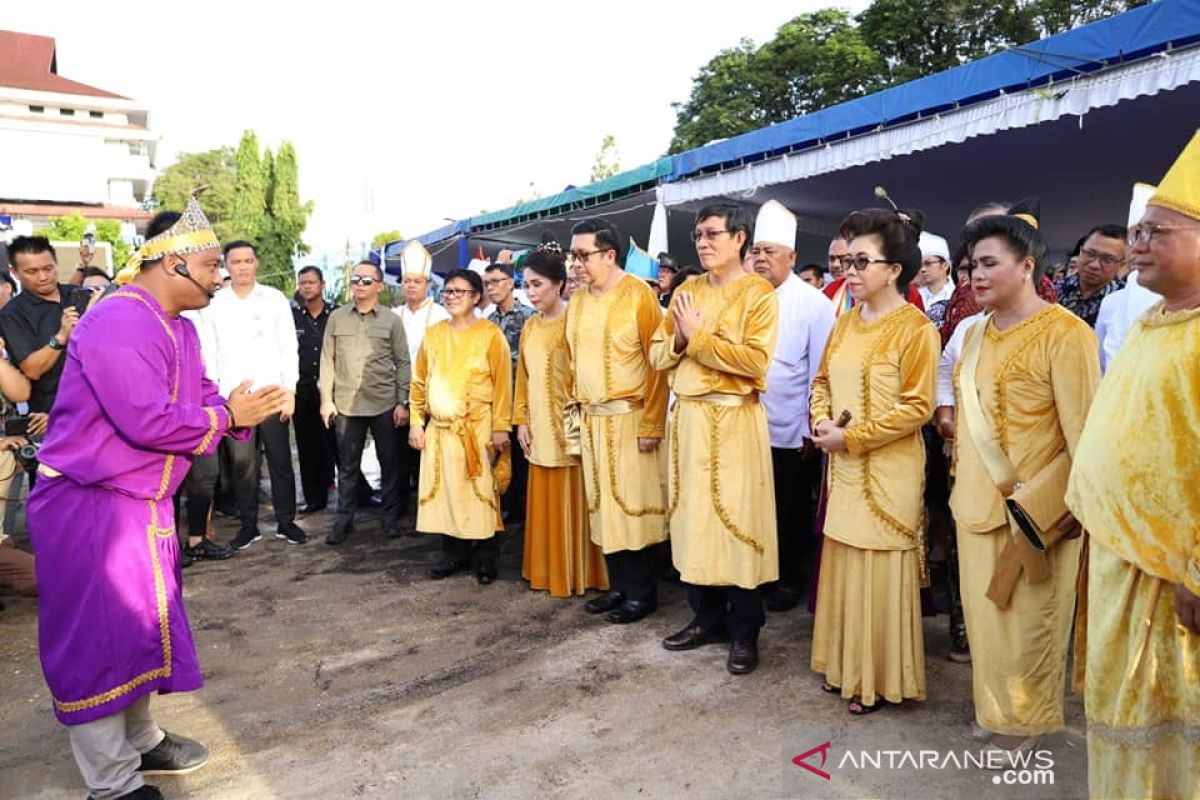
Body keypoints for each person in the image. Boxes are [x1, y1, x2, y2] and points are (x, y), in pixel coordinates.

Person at [27, 198, 286, 800]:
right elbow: (147, 420)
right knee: (96, 641)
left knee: (143, 629)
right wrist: (226, 416)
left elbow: (202, 398)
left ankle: (141, 741)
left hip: (141, 506)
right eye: (213, 263)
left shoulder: (181, 328)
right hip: (90, 507)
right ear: (173, 263)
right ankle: (111, 783)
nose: (222, 276)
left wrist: (234, 413)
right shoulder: (118, 320)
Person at [1066, 130, 1200, 800]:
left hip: (1171, 581)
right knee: (1119, 719)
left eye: (1157, 230)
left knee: (1167, 737)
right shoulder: (1152, 320)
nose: (1137, 242)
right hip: (1120, 558)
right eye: (1136, 230)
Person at [950, 202, 1098, 758]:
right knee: (986, 619)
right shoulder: (973, 335)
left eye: (989, 263)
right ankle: (994, 708)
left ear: (1027, 266)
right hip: (973, 503)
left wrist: (1070, 510)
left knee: (1033, 619)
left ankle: (1027, 719)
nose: (977, 276)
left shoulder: (1067, 334)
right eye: (971, 267)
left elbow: (1084, 432)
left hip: (1038, 511)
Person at [809, 206, 939, 715]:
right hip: (842, 467)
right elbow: (822, 381)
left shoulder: (916, 329)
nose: (851, 272)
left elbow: (917, 407)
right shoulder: (844, 324)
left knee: (878, 567)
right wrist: (821, 421)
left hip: (889, 472)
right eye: (848, 262)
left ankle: (880, 679)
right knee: (844, 562)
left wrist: (853, 438)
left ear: (894, 270)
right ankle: (844, 666)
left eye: (863, 262)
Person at [650, 202, 781, 675]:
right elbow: (657, 355)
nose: (703, 243)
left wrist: (698, 338)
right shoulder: (686, 289)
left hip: (733, 422)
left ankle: (745, 631)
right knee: (692, 520)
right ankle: (705, 618)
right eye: (699, 236)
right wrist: (681, 342)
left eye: (712, 234)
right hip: (688, 421)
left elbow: (755, 363)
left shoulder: (759, 294)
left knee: (736, 522)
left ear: (739, 238)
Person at [566, 219, 669, 624]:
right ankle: (618, 587)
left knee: (633, 507)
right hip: (593, 421)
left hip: (631, 418)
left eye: (582, 255)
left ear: (609, 255)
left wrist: (652, 424)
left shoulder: (638, 297)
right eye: (573, 255)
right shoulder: (577, 301)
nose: (576, 264)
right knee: (603, 507)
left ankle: (642, 594)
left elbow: (658, 366)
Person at [747, 201, 835, 613]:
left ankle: (786, 579)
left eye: (770, 252)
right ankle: (754, 573)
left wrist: (808, 429)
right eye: (756, 251)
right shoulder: (742, 296)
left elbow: (819, 373)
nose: (761, 259)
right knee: (750, 505)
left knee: (787, 507)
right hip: (743, 424)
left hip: (787, 428)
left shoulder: (814, 304)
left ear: (792, 257)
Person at [514, 244, 608, 597]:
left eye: (537, 284)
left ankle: (583, 572)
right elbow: (522, 379)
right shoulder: (529, 328)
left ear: (558, 284)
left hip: (572, 429)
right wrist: (521, 420)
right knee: (543, 495)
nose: (531, 292)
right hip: (539, 427)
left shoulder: (577, 322)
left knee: (578, 498)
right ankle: (547, 570)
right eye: (526, 285)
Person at [200, 241, 305, 548]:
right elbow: (210, 349)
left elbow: (289, 346)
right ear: (226, 266)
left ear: (256, 263)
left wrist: (291, 390)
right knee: (242, 465)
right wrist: (218, 398)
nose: (243, 267)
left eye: (248, 260)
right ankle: (249, 525)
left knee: (280, 460)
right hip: (236, 399)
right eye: (236, 262)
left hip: (272, 392)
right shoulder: (215, 303)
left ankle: (287, 522)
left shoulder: (273, 299)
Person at [409, 269, 511, 583]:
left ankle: (485, 559)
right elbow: (419, 381)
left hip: (477, 428)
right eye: (448, 291)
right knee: (447, 494)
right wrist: (416, 422)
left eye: (459, 291)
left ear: (476, 296)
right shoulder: (435, 333)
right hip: (439, 431)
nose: (451, 297)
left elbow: (503, 384)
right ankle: (453, 555)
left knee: (479, 493)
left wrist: (501, 427)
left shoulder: (491, 334)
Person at [320, 261, 410, 544]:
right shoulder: (336, 318)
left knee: (390, 464)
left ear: (380, 287)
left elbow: (403, 362)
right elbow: (327, 360)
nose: (359, 284)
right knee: (347, 466)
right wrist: (326, 400)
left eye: (367, 280)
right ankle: (344, 520)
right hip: (346, 403)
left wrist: (402, 401)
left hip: (383, 402)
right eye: (356, 279)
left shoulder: (392, 321)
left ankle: (391, 519)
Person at [0, 236, 83, 419]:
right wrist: (61, 337)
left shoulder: (79, 296)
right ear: (15, 272)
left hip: (96, 404)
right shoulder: (12, 315)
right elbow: (32, 369)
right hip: (51, 414)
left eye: (48, 268)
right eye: (32, 271)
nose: (43, 277)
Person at [485, 262, 534, 524]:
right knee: (502, 457)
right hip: (497, 403)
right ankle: (509, 508)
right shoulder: (488, 322)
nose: (491, 288)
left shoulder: (529, 317)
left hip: (523, 399)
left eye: (496, 281)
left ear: (511, 283)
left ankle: (525, 513)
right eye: (487, 283)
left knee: (524, 459)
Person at [292, 266, 337, 514]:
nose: (307, 287)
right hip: (303, 390)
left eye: (311, 282)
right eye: (303, 283)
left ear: (322, 285)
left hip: (333, 390)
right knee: (308, 447)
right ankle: (314, 498)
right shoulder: (293, 317)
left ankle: (358, 494)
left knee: (339, 444)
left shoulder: (336, 314)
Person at [1054, 224, 1127, 327]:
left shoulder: (1125, 301)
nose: (1094, 265)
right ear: (1080, 251)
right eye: (1090, 254)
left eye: (1107, 259)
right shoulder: (1053, 290)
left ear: (1121, 265)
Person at [916, 232, 954, 326]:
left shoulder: (955, 294)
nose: (923, 269)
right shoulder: (916, 295)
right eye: (920, 265)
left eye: (928, 263)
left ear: (945, 265)